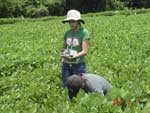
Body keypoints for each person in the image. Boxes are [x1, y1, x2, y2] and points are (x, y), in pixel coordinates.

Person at [61, 10, 90, 87]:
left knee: (81, 86)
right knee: (66, 85)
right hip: (66, 64)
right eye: (69, 22)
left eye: (73, 21)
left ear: (78, 21)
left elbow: (85, 51)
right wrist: (63, 55)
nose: (71, 24)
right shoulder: (67, 33)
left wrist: (74, 56)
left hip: (78, 65)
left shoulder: (84, 32)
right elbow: (64, 48)